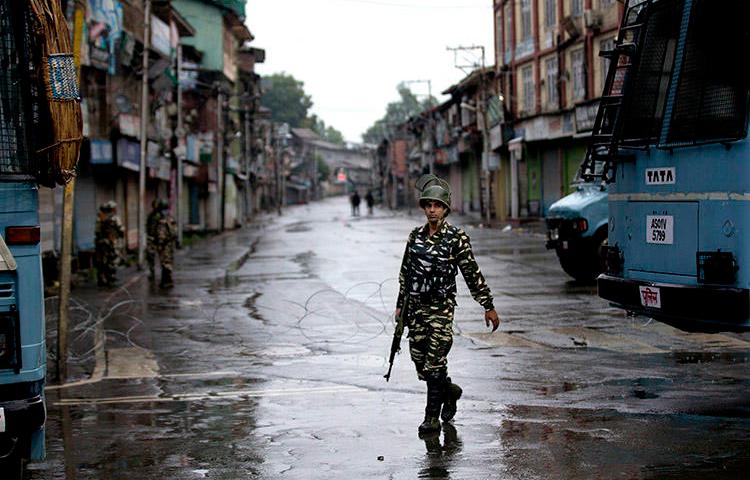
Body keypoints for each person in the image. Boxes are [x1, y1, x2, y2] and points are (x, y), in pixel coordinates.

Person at [395, 174, 500, 435]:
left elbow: (471, 273)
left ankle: (431, 419)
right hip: (416, 310)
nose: (432, 210)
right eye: (428, 205)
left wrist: (487, 305)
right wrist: (401, 306)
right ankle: (449, 391)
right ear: (423, 208)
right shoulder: (415, 236)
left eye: (437, 205)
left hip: (441, 310)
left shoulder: (456, 238)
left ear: (445, 208)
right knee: (420, 362)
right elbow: (405, 273)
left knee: (434, 363)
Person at [146, 198, 177, 288]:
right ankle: (166, 280)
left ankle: (167, 281)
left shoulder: (163, 219)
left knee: (166, 262)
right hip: (167, 243)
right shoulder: (165, 218)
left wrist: (160, 243)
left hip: (165, 243)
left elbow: (161, 233)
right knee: (166, 261)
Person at [94, 200, 125, 287]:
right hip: (110, 242)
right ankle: (110, 277)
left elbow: (96, 231)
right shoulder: (114, 218)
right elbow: (121, 230)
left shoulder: (100, 218)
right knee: (111, 260)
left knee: (101, 261)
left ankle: (101, 279)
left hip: (100, 242)